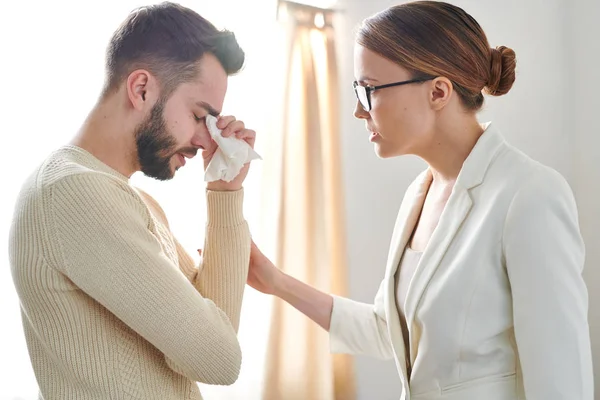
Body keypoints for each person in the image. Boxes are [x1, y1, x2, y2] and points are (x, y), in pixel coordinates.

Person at [247, 1, 594, 399]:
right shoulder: (419, 194)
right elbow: (387, 329)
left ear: (438, 91)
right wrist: (274, 282)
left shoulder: (529, 195)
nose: (360, 111)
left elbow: (563, 382)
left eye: (370, 90)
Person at [9, 2, 257, 399]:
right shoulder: (71, 193)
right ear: (141, 89)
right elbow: (220, 360)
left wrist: (225, 192)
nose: (206, 139)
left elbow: (219, 334)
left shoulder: (130, 199)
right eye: (199, 116)